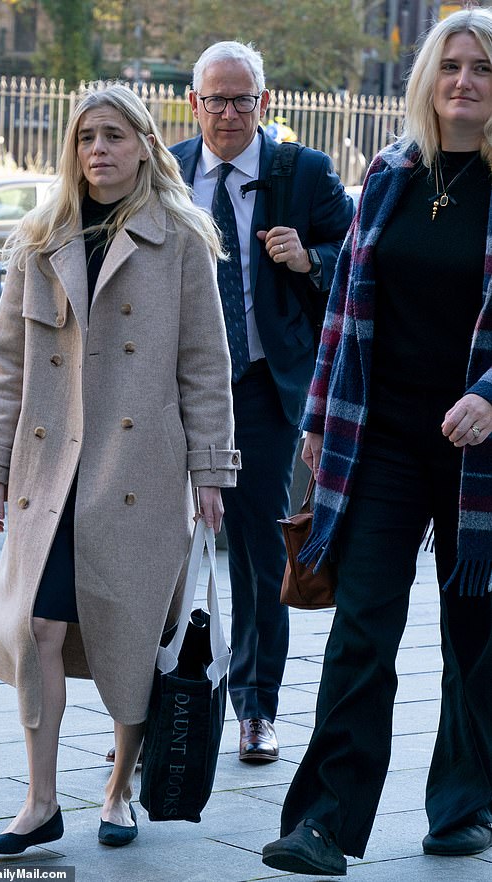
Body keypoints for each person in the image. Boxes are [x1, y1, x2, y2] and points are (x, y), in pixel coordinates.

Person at [0, 83, 240, 855]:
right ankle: (40, 801)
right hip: (51, 471)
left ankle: (119, 791)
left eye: (114, 135)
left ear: (146, 145)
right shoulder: (39, 234)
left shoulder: (181, 239)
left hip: (140, 469)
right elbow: (6, 365)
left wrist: (211, 472)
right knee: (39, 627)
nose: (98, 150)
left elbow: (204, 365)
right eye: (86, 137)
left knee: (130, 636)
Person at [262, 8, 492, 876]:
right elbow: (345, 313)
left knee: (477, 635)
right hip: (382, 441)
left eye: (482, 68)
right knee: (362, 630)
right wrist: (320, 416)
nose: (464, 81)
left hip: (482, 456)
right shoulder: (393, 173)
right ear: (427, 79)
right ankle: (324, 820)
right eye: (450, 66)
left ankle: (464, 804)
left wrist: (490, 396)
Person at [171, 41, 353, 761]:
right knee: (154, 553)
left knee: (254, 555)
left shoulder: (300, 172)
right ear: (194, 104)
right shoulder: (169, 170)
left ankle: (254, 709)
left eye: (242, 98)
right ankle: (155, 713)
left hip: (261, 388)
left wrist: (310, 258)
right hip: (170, 392)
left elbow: (359, 263)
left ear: (265, 103)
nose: (228, 112)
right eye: (215, 99)